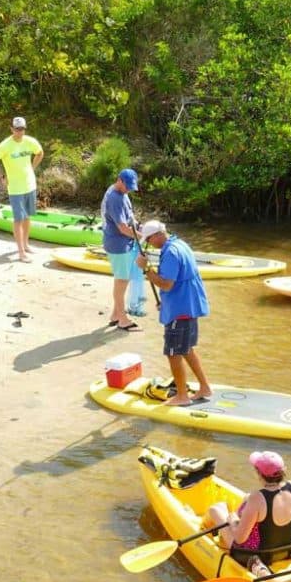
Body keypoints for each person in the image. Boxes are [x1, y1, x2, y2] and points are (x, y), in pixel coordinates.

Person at [136, 219, 212, 406]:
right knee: (186, 349)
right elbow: (177, 281)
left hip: (181, 310)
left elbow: (167, 284)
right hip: (187, 305)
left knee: (173, 352)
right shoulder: (180, 244)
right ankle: (204, 387)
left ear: (158, 235)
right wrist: (167, 303)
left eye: (149, 240)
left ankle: (182, 396)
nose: (149, 244)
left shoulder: (170, 252)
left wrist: (146, 268)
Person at [205, 450, 291, 571]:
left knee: (215, 510)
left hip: (256, 555)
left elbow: (239, 539)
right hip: (290, 550)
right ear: (284, 470)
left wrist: (233, 520)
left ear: (259, 473)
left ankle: (205, 530)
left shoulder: (257, 498)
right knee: (244, 502)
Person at [0, 116, 44, 262]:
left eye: (22, 129)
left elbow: (40, 152)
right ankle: (21, 252)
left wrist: (32, 167)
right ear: (12, 129)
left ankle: (26, 244)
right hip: (15, 188)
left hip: (30, 185)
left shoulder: (30, 141)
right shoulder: (5, 145)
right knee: (18, 219)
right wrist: (1, 177)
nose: (20, 132)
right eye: (17, 129)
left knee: (27, 216)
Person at [101, 168, 141, 331]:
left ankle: (115, 315)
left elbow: (129, 217)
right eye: (127, 186)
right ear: (119, 180)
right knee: (122, 280)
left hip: (123, 243)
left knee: (123, 279)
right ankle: (122, 319)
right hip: (118, 244)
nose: (129, 190)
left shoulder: (121, 193)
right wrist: (140, 237)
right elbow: (123, 228)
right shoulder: (114, 198)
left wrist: (139, 228)